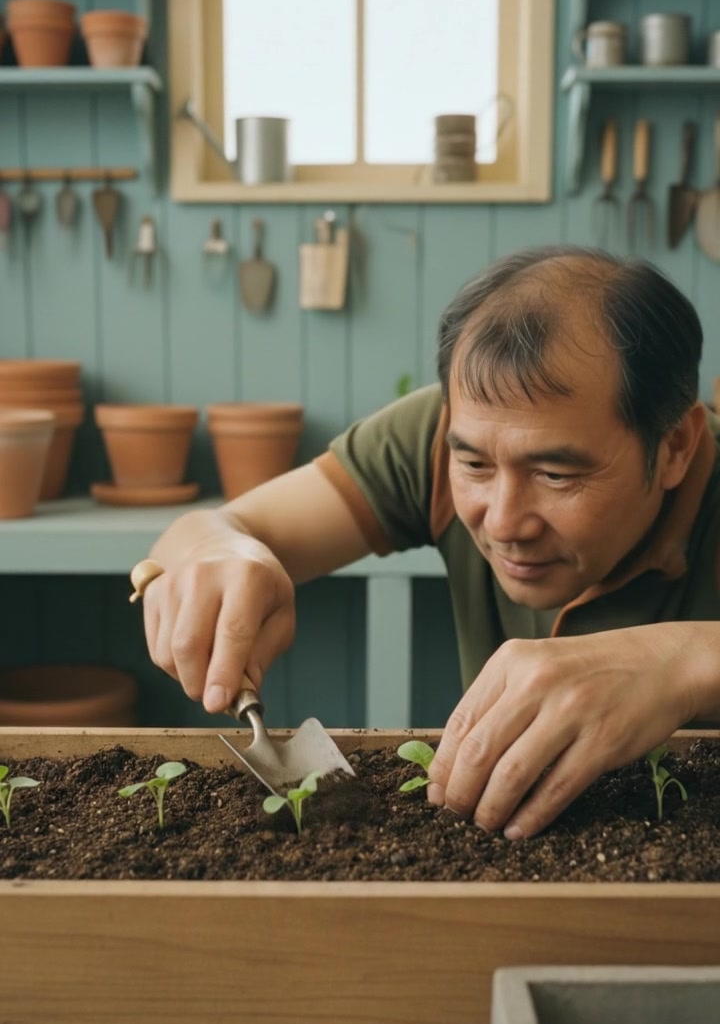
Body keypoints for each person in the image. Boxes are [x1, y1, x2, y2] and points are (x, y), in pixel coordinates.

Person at [134, 244, 720, 839]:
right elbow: (214, 531)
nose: (503, 523)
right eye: (475, 466)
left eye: (556, 475)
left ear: (674, 447)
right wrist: (218, 553)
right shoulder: (444, 436)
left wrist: (685, 660)